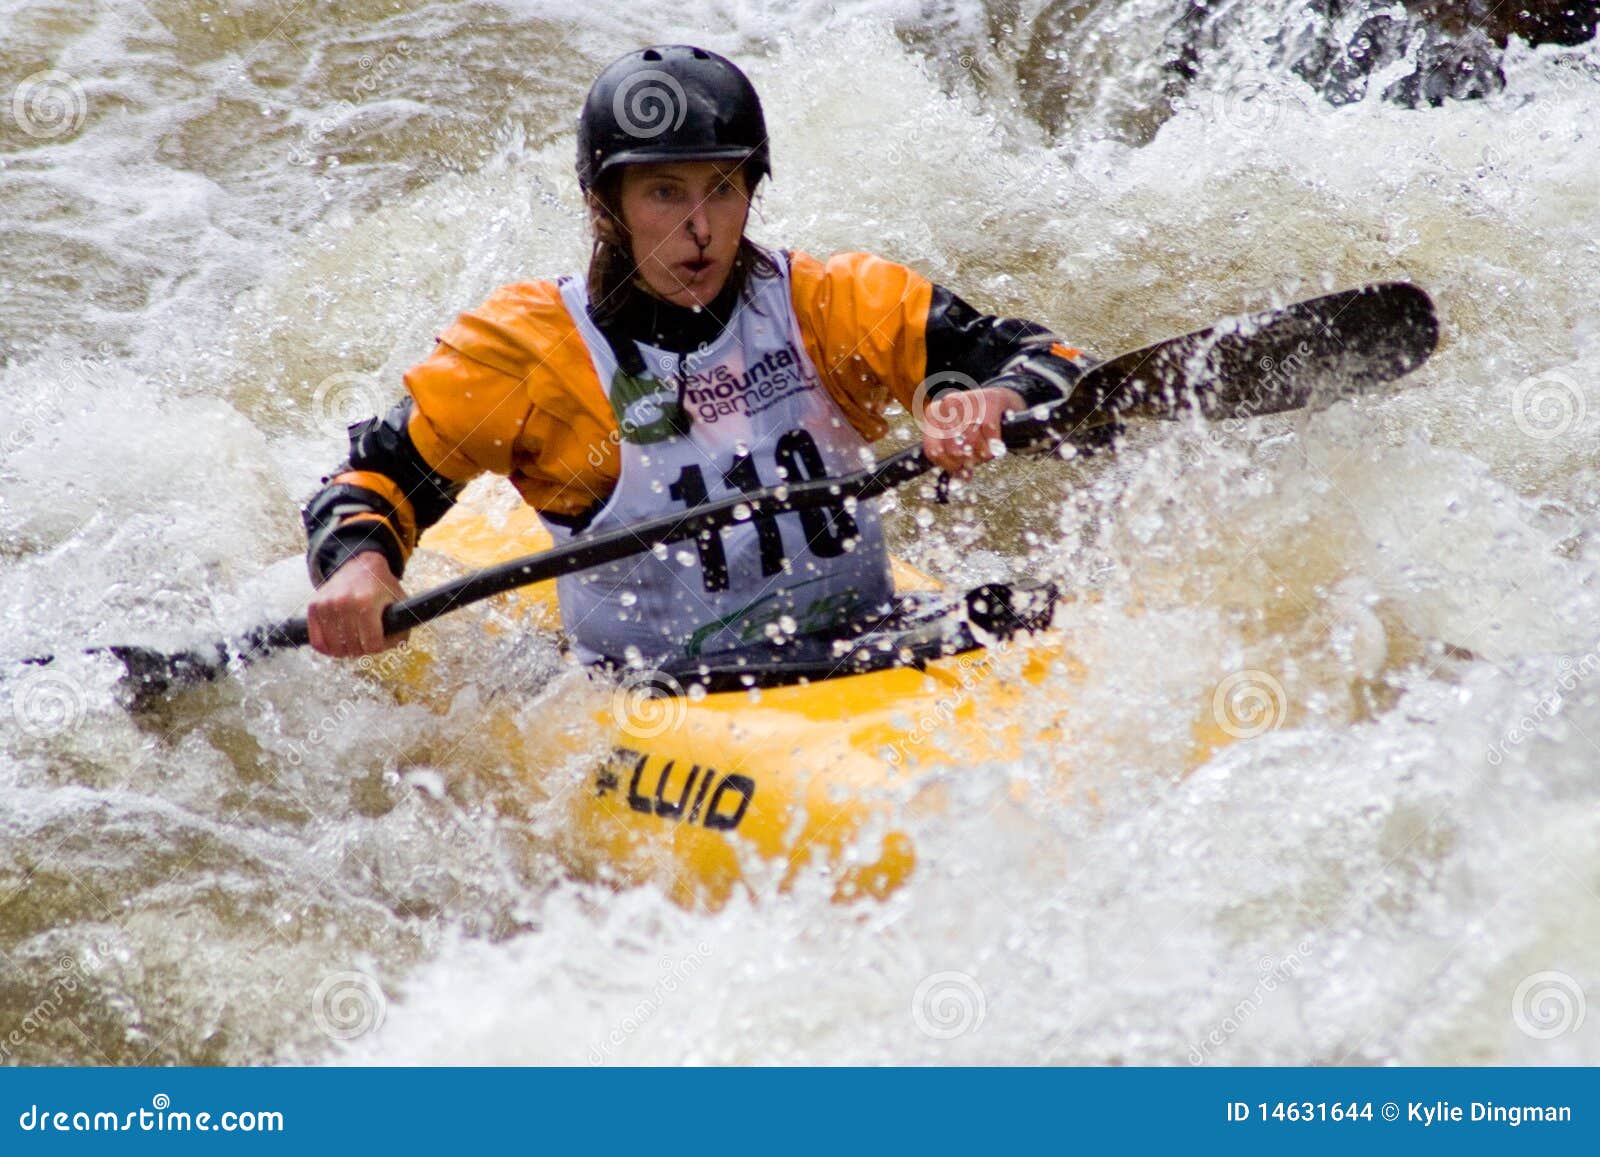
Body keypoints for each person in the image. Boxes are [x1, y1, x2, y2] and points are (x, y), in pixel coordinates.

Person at [303, 44, 1088, 666]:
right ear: (605, 206)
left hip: (865, 642)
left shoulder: (834, 303)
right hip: (661, 689)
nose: (702, 227)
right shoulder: (529, 352)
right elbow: (375, 479)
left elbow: (1045, 356)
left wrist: (995, 400)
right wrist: (361, 568)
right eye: (665, 193)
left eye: (723, 187)